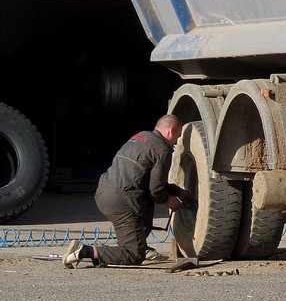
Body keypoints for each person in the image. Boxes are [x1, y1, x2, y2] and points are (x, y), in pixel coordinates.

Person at [64, 114, 192, 268]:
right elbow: (156, 190)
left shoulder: (141, 136)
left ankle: (141, 247)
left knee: (144, 207)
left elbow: (144, 177)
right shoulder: (162, 150)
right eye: (177, 138)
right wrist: (168, 200)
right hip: (123, 201)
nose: (176, 143)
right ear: (171, 130)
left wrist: (177, 191)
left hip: (104, 192)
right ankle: (85, 251)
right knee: (133, 256)